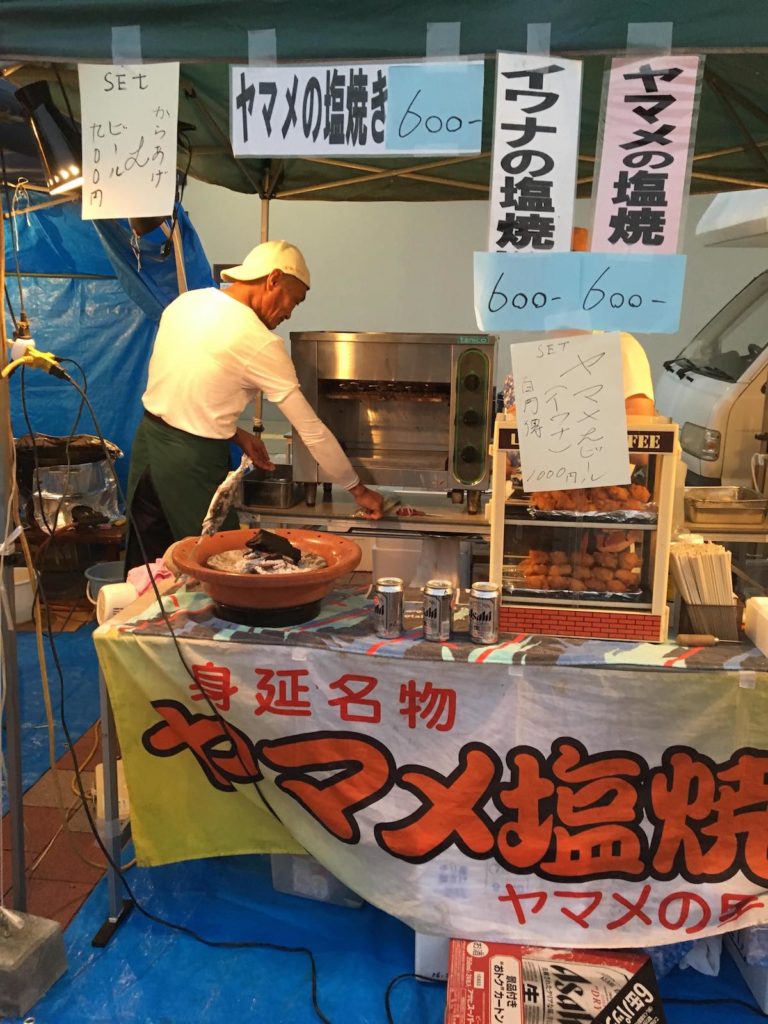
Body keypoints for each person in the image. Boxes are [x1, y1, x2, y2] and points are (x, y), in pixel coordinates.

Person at [125, 240, 384, 570]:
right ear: (273, 279)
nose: (290, 313)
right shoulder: (259, 342)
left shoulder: (187, 303)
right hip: (190, 463)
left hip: (147, 448)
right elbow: (311, 431)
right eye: (295, 299)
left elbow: (188, 390)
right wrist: (358, 491)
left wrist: (237, 435)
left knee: (149, 568)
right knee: (222, 569)